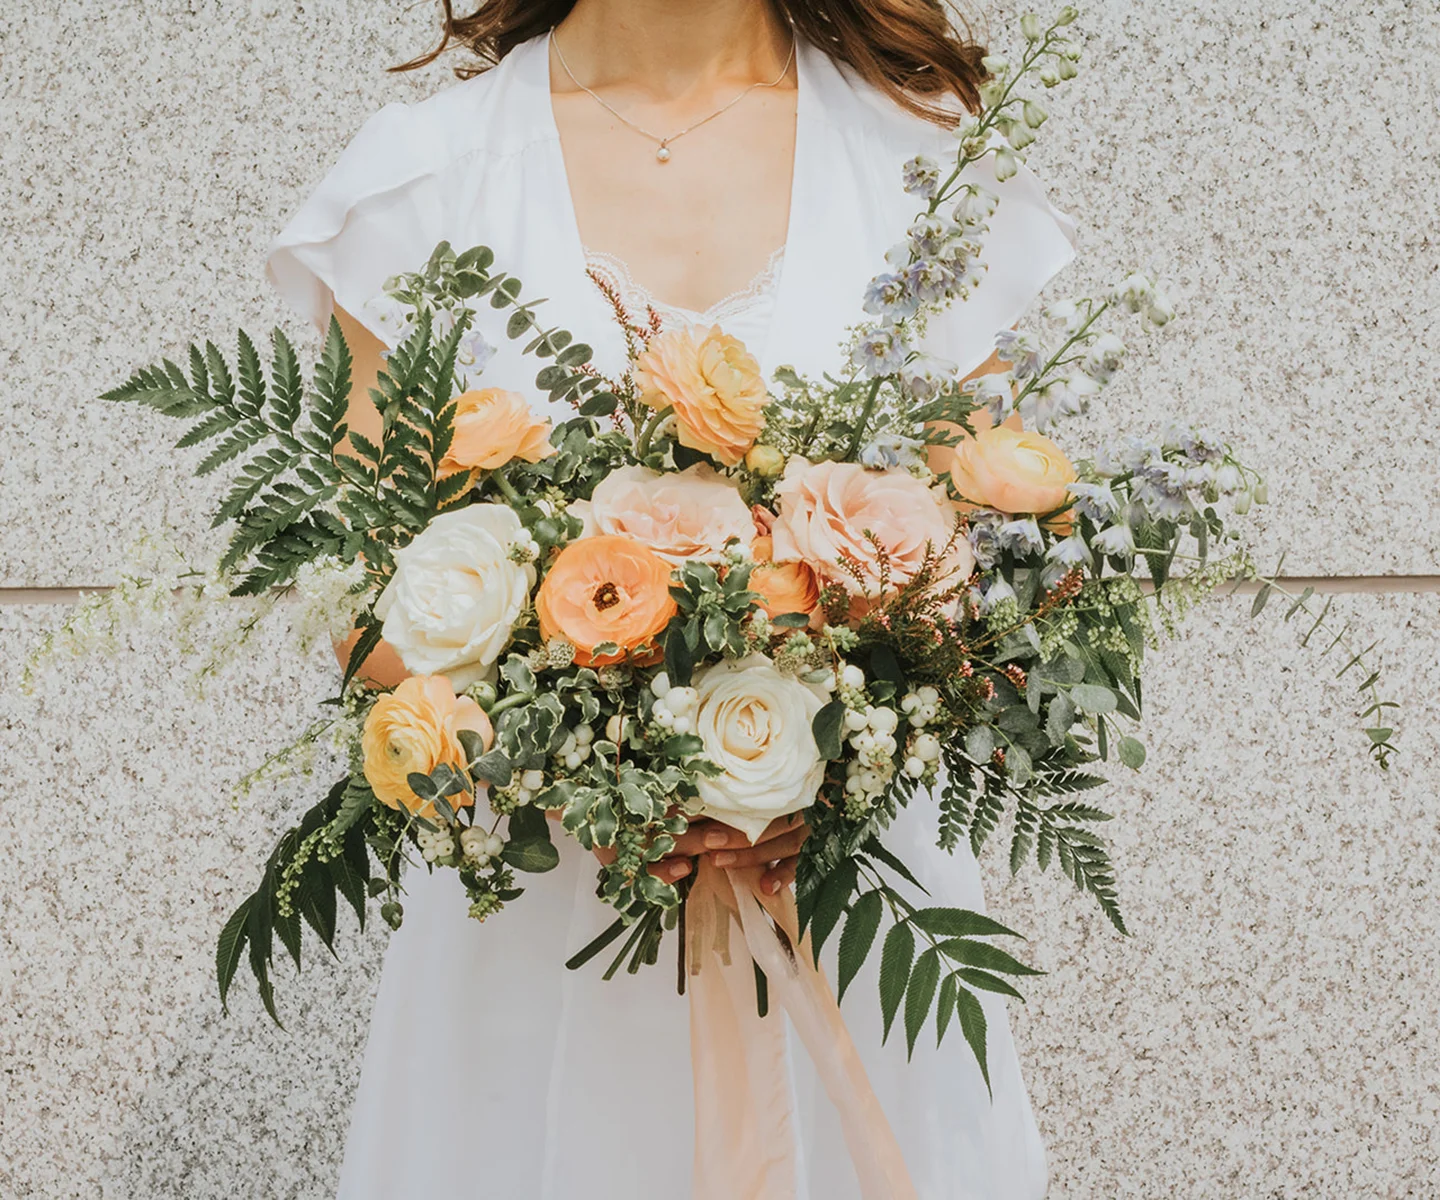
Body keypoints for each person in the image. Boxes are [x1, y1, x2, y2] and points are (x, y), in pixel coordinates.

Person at [266, 1, 1075, 1195]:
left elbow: (993, 565)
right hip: (542, 939)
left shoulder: (919, 167)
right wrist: (581, 772)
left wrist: (842, 752)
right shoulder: (424, 181)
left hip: (853, 924)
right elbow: (363, 606)